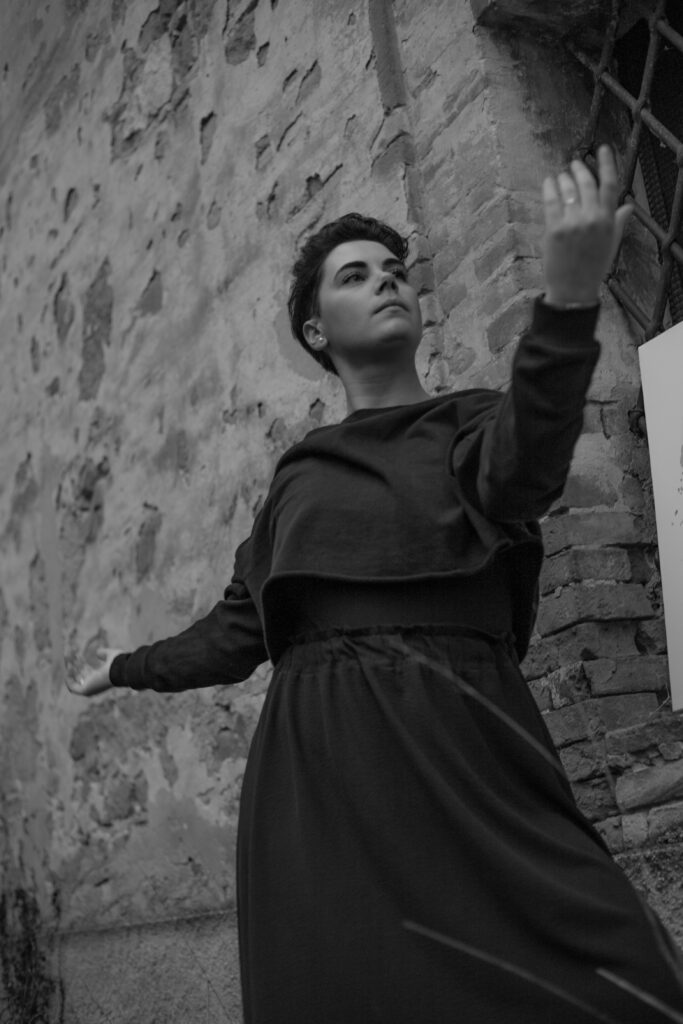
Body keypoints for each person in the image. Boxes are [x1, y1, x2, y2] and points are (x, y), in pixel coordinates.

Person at [67, 146, 683, 1023]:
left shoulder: (472, 423)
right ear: (316, 331)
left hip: (468, 740)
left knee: (624, 983)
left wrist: (569, 300)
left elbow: (523, 472)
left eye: (394, 269)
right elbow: (233, 636)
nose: (386, 280)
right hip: (320, 771)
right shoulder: (297, 477)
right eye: (354, 276)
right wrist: (121, 668)